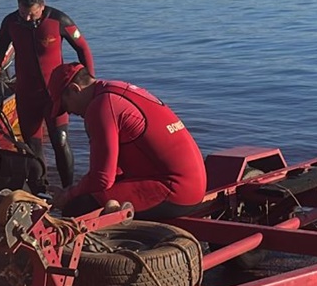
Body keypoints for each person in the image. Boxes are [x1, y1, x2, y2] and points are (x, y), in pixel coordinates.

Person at [47, 63, 207, 220]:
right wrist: (75, 189)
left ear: (75, 89)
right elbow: (113, 170)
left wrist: (68, 195)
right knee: (90, 194)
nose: (70, 113)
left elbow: (101, 179)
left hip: (175, 191)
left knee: (77, 208)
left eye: (65, 106)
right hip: (195, 184)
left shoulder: (101, 107)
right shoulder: (115, 89)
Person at [0, 0, 94, 188]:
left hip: (55, 96)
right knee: (33, 147)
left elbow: (83, 48)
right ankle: (41, 194)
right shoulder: (11, 22)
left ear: (42, 7)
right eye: (22, 13)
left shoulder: (59, 20)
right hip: (27, 95)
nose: (27, 19)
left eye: (31, 14)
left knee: (60, 142)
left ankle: (68, 192)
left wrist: (90, 80)